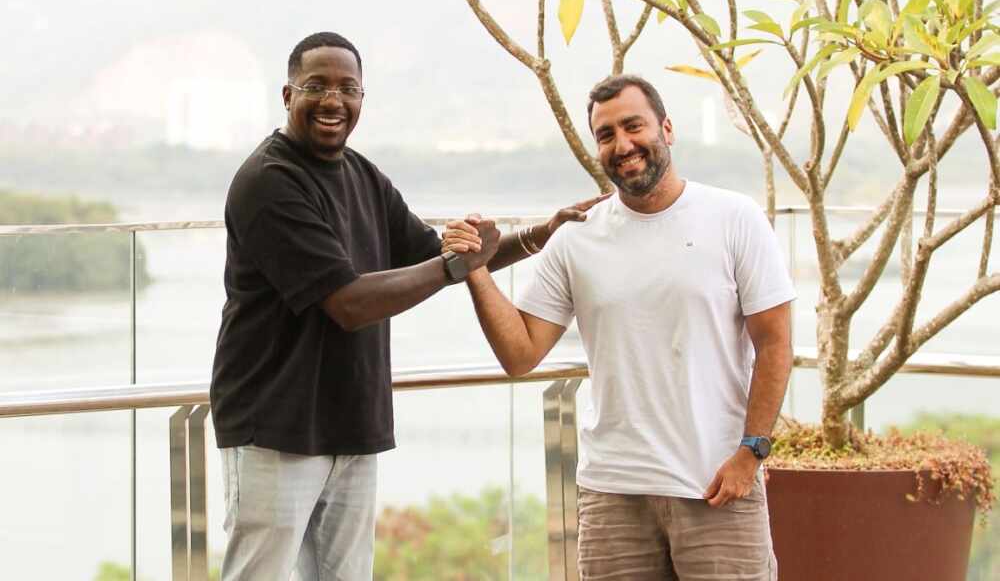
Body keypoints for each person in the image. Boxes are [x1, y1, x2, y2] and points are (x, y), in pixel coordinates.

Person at [209, 31, 606, 580]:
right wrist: (456, 265)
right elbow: (348, 303)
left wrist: (542, 233)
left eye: (348, 89)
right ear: (287, 94)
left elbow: (435, 257)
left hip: (349, 424)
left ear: (362, 98)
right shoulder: (268, 182)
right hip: (274, 426)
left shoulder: (363, 176)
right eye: (316, 86)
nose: (332, 101)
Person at [442, 74, 795, 580]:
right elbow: (520, 354)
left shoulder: (734, 217)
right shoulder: (576, 238)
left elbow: (775, 342)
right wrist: (476, 269)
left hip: (717, 486)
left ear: (666, 129)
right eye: (606, 135)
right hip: (612, 494)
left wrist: (752, 451)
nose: (623, 145)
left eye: (634, 126)